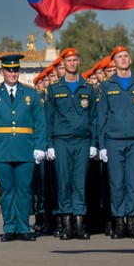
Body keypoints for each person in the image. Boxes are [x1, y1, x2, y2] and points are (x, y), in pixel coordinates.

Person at [0, 55, 47, 242]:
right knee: (7, 190)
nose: (13, 73)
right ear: (2, 72)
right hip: (2, 149)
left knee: (24, 190)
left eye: (16, 70)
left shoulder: (30, 93)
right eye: (9, 70)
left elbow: (39, 122)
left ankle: (24, 227)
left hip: (25, 149)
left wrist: (40, 146)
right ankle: (10, 227)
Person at [96, 45, 134, 239]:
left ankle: (132, 222)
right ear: (114, 61)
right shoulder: (106, 85)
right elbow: (101, 118)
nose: (124, 59)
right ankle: (118, 222)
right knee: (117, 182)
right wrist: (102, 146)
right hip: (114, 140)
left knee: (133, 182)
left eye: (126, 55)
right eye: (119, 56)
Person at [43, 48, 94, 239]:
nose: (72, 63)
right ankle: (66, 224)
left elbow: (93, 117)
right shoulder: (54, 88)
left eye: (75, 60)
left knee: (80, 183)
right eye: (68, 60)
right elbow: (48, 118)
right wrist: (49, 144)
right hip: (62, 141)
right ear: (62, 64)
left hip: (82, 140)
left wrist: (94, 143)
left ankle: (79, 225)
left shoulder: (87, 87)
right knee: (64, 182)